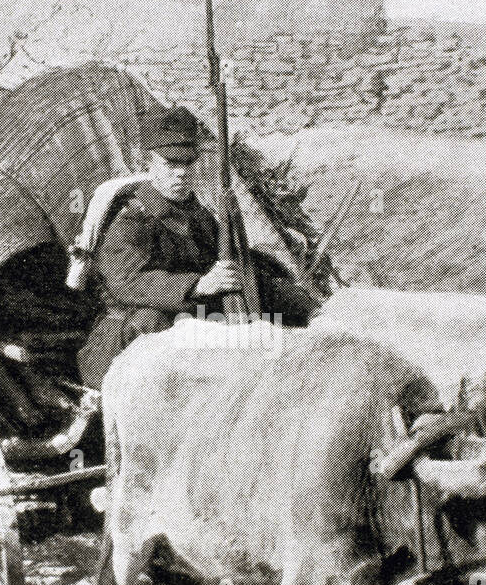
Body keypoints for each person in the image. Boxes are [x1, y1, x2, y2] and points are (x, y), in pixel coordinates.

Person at [75, 105, 315, 389]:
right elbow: (129, 282)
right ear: (148, 163)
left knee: (276, 298)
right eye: (170, 164)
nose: (181, 174)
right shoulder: (131, 218)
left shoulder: (197, 212)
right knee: (160, 327)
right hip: (128, 335)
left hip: (193, 314)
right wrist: (198, 285)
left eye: (188, 164)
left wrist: (304, 305)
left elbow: (225, 266)